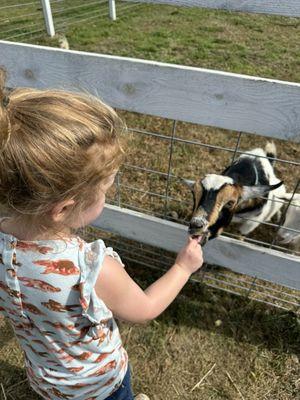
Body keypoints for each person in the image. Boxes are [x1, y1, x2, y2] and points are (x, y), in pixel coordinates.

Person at [0, 68, 203, 400]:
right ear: (63, 209)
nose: (107, 197)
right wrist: (183, 267)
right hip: (100, 386)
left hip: (46, 382)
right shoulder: (88, 266)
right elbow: (145, 309)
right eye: (105, 189)